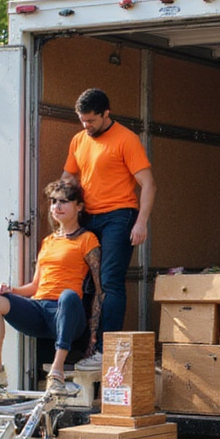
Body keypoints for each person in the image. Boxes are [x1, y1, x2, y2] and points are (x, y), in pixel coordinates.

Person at [0, 180, 102, 394]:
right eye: (53, 201)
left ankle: (56, 372)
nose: (56, 207)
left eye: (64, 202)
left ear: (79, 206)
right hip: (40, 310)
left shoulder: (87, 239)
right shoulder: (48, 241)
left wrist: (94, 335)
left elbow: (100, 288)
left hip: (67, 313)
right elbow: (35, 286)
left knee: (68, 296)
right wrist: (9, 290)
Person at [61, 87, 155, 371]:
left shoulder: (126, 139)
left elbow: (149, 184)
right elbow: (68, 176)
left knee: (111, 281)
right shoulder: (79, 139)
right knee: (85, 283)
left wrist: (141, 222)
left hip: (119, 216)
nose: (86, 126)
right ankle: (83, 347)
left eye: (91, 120)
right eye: (82, 120)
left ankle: (106, 349)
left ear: (106, 114)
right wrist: (60, 208)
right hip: (87, 216)